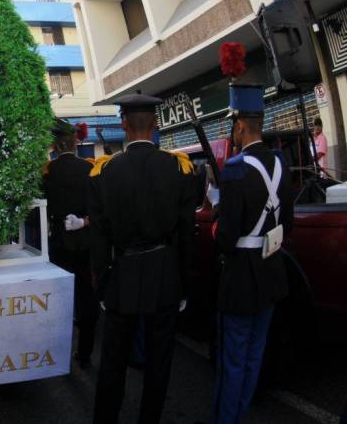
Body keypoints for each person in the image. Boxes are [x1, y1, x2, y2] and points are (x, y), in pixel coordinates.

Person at [89, 93, 195, 424]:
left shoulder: (103, 171)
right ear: (156, 125)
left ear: (123, 124)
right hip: (164, 274)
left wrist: (101, 283)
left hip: (121, 275)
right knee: (159, 362)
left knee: (112, 363)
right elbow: (185, 234)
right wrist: (183, 284)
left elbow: (98, 236)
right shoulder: (178, 168)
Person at [210, 83, 293, 424]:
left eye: (233, 124)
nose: (233, 130)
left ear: (241, 125)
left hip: (242, 276)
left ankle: (227, 420)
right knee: (253, 356)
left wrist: (218, 211)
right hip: (272, 272)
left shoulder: (234, 169)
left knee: (233, 358)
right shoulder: (281, 163)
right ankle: (239, 412)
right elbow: (287, 221)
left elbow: (225, 240)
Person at [45, 118, 97, 368]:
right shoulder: (90, 168)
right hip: (86, 242)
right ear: (77, 142)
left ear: (55, 144)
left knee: (59, 301)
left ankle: (58, 353)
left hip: (58, 242)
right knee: (88, 299)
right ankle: (84, 352)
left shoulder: (47, 171)